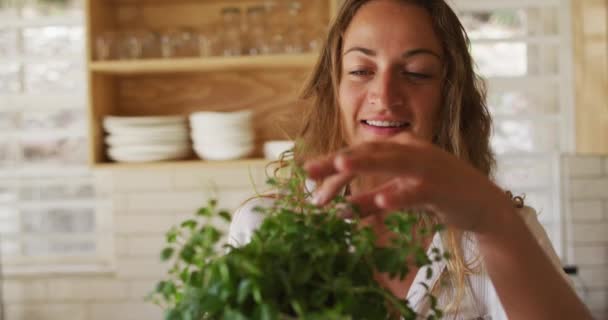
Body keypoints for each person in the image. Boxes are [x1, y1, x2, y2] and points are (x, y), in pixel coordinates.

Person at [229, 0, 594, 319]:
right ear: (333, 88)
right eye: (361, 71)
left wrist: (495, 224)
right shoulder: (266, 230)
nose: (385, 95)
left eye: (416, 73)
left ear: (447, 98)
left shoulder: (501, 228)